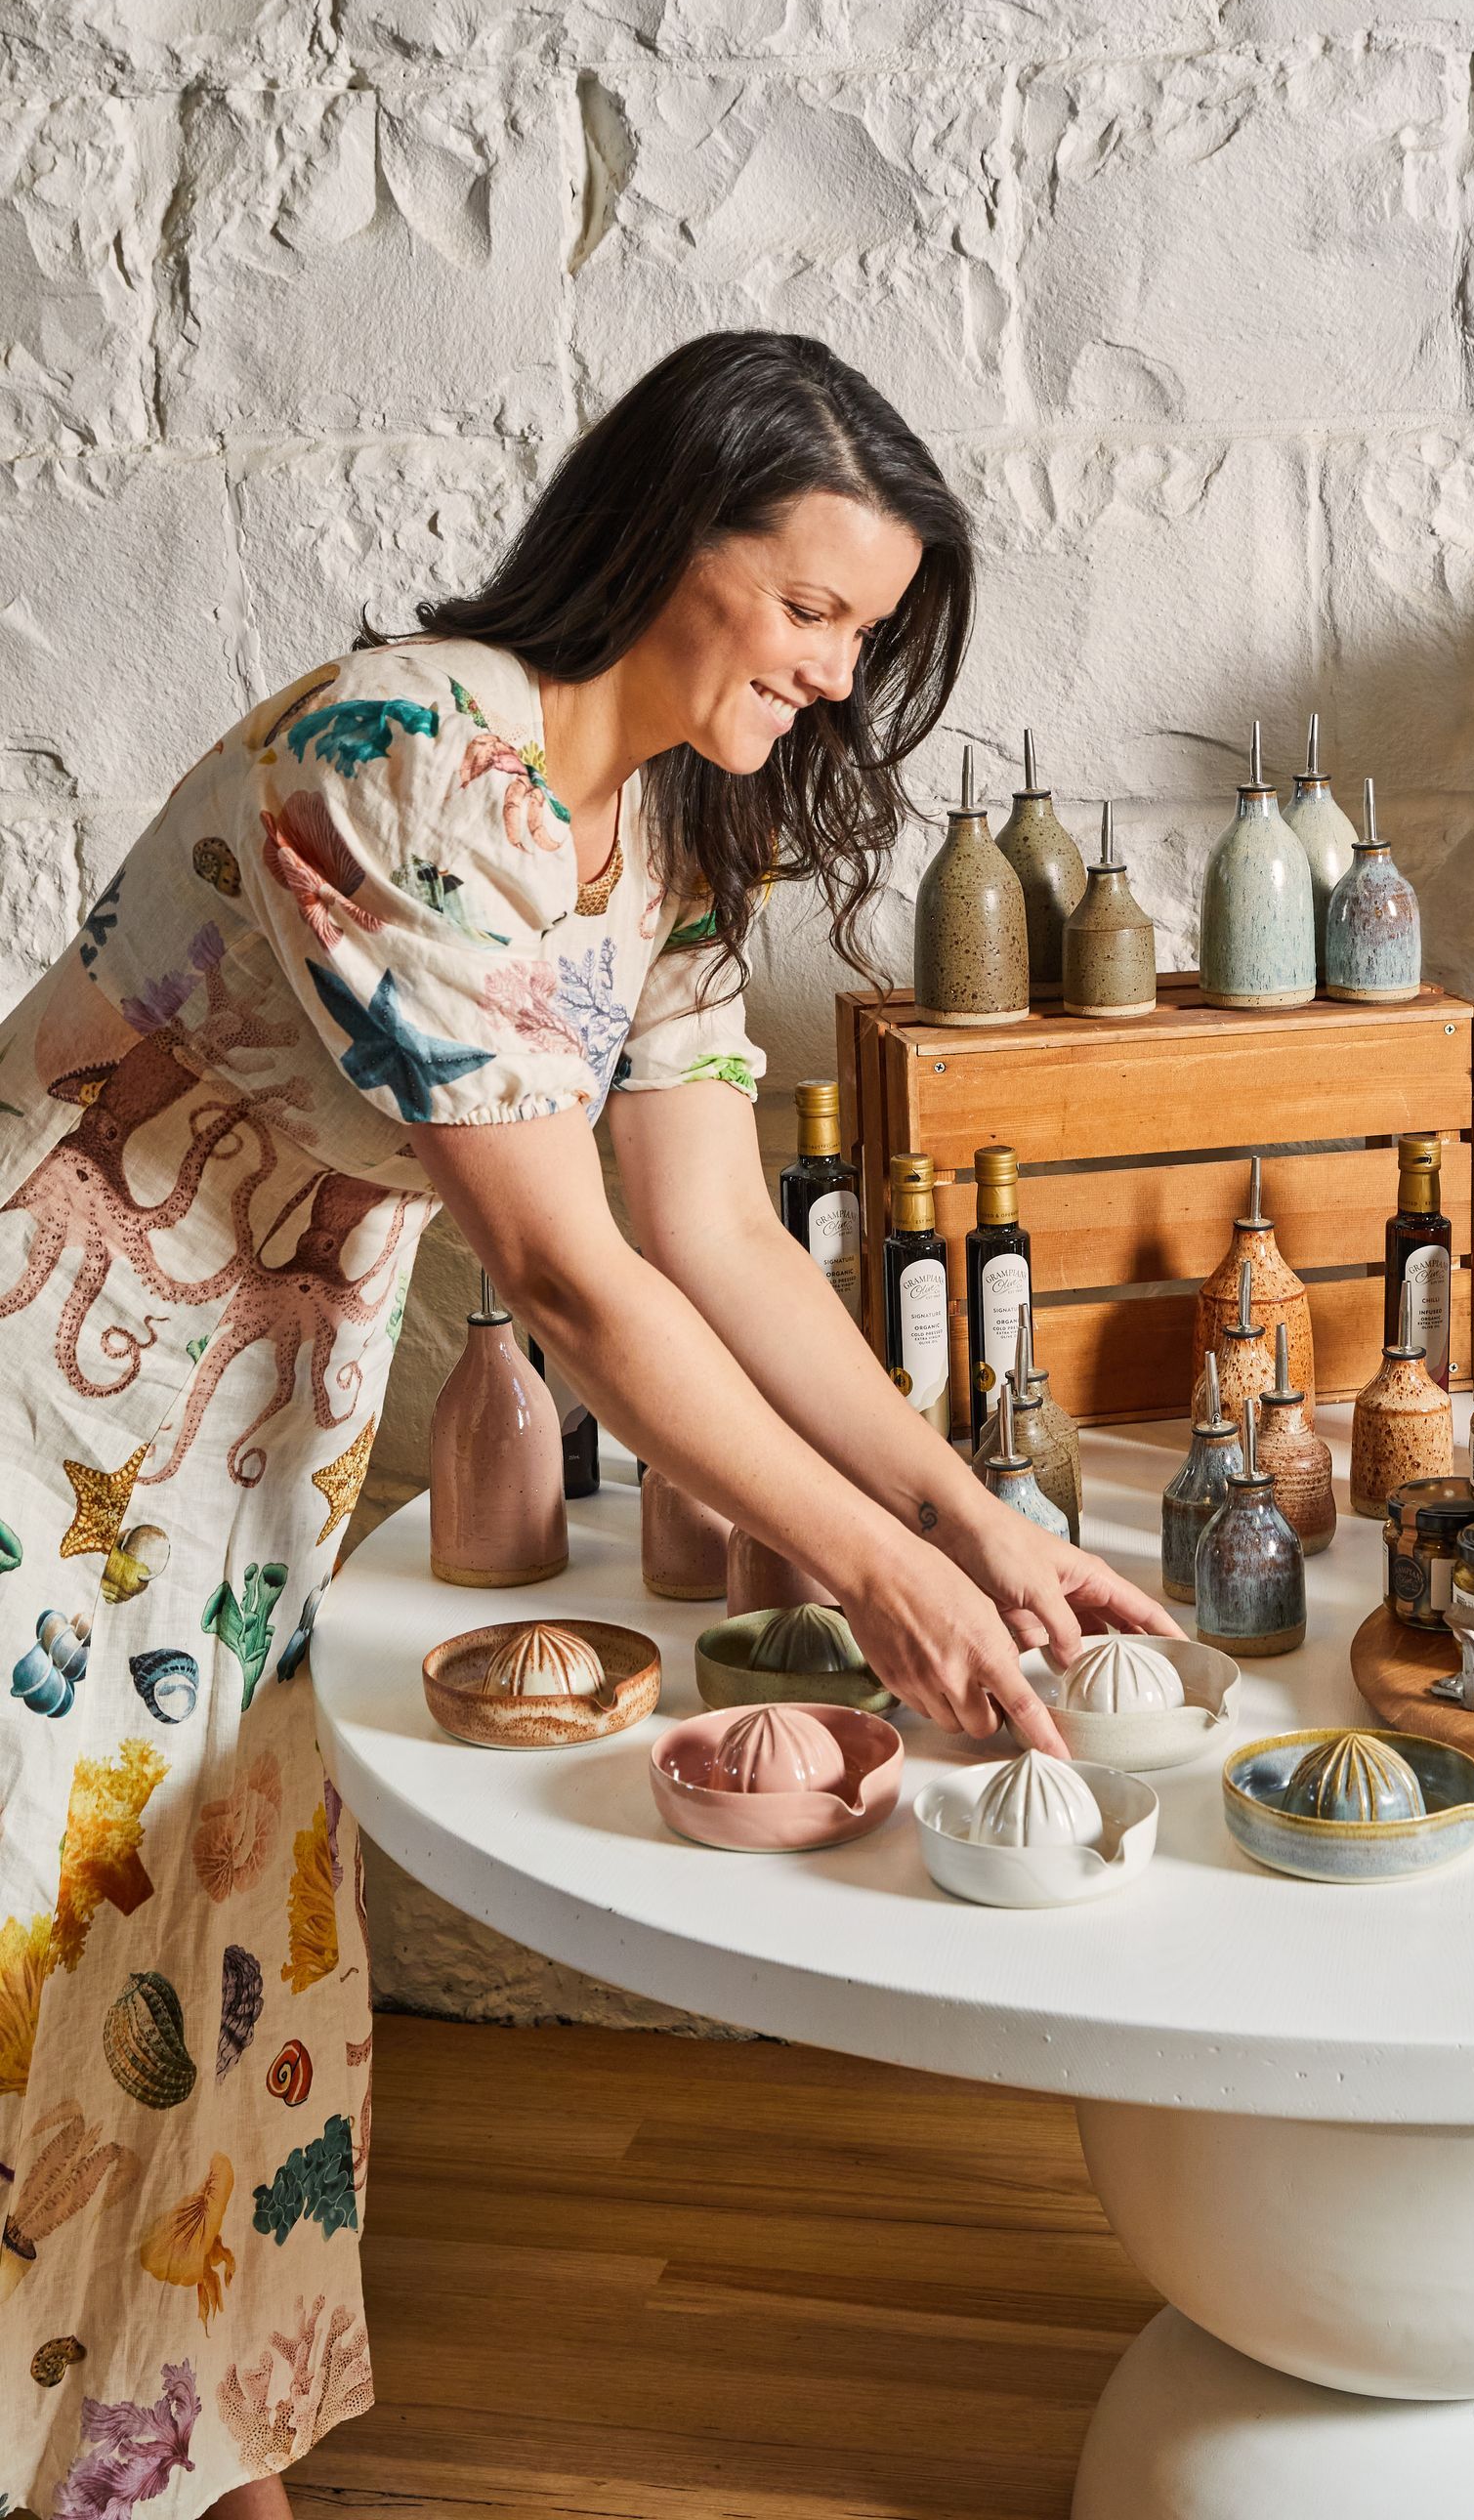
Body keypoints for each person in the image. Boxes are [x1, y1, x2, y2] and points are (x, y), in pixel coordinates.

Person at [0, 330, 1176, 2520]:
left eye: (869, 634)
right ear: (664, 533)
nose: (837, 672)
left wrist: (972, 1513)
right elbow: (566, 1275)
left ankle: (179, 2453)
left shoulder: (662, 847)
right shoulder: (409, 754)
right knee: (29, 1917)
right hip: (33, 1367)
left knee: (207, 1903)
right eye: (814, 608)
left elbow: (718, 1243)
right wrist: (874, 1574)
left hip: (250, 1410)